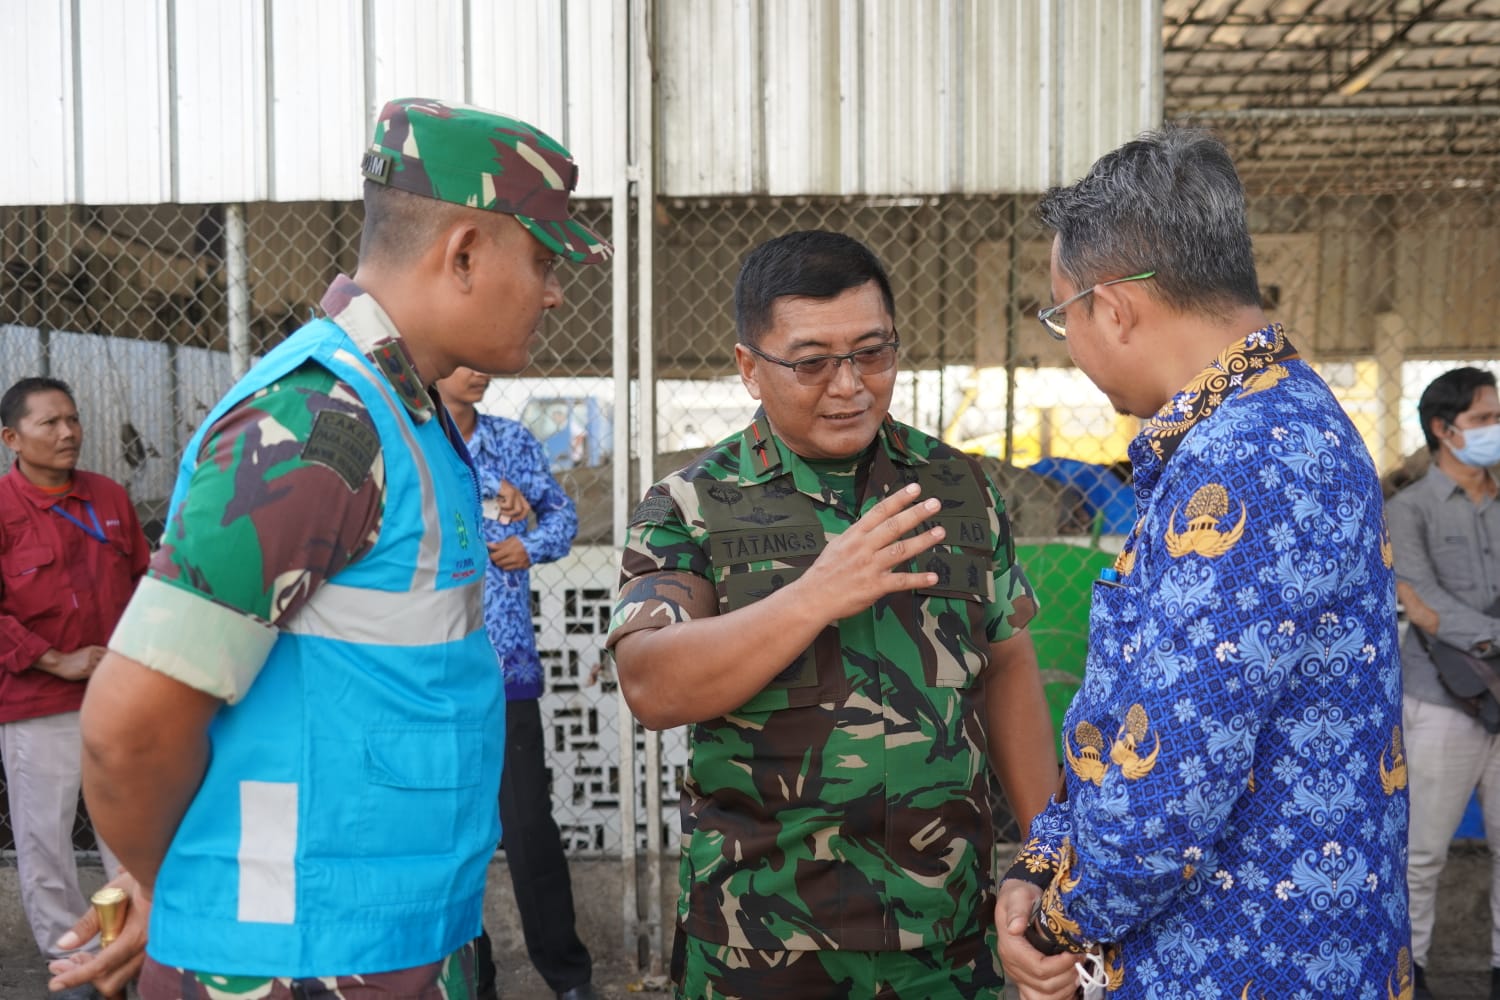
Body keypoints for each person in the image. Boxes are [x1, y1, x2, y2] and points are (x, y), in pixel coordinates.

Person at [45, 98, 610, 1000]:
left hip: (381, 941)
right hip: (294, 962)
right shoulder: (318, 423)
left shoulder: (402, 415)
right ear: (462, 252)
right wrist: (171, 885)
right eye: (542, 259)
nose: (554, 291)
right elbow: (129, 728)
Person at [993, 125, 1409, 999]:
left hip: (1238, 963)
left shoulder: (1242, 462)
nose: (1069, 340)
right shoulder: (1270, 423)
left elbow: (1164, 797)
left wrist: (1054, 920)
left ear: (1113, 308)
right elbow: (1136, 711)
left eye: (1061, 315)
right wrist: (1040, 858)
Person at [606, 229, 1058, 999]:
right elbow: (651, 684)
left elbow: (1008, 661)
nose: (849, 385)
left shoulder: (959, 490)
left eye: (873, 354)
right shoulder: (691, 503)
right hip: (763, 941)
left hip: (943, 935)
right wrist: (814, 594)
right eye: (812, 363)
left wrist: (1049, 857)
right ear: (749, 367)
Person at [434, 367, 597, 1000]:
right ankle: (474, 983)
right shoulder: (417, 438)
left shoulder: (511, 440)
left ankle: (569, 977)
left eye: (483, 363)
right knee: (451, 835)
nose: (476, 372)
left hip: (508, 670)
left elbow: (562, 516)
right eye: (461, 360)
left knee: (529, 826)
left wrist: (530, 546)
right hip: (436, 673)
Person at [1, 377, 145, 998]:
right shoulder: (3, 511)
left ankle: (129, 948)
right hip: (40, 702)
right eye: (49, 423)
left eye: (73, 419)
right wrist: (54, 659)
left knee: (132, 828)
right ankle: (72, 960)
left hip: (119, 698)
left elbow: (147, 582)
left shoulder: (109, 497)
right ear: (11, 438)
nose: (67, 433)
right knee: (46, 840)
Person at [1388, 366, 1500, 1000]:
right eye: (1485, 419)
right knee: (1423, 854)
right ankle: (1415, 973)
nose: (1495, 429)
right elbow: (1422, 604)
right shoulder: (1408, 510)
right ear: (1444, 428)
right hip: (1439, 699)